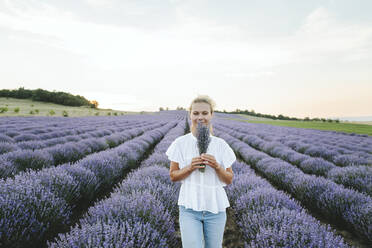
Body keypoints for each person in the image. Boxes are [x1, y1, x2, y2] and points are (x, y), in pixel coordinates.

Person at [166, 95, 236, 248]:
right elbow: (173, 176)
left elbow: (229, 179)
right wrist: (190, 167)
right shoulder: (180, 143)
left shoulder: (221, 145)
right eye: (196, 113)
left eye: (205, 113)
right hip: (189, 208)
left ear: (211, 115)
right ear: (190, 114)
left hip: (215, 209)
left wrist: (217, 166)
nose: (200, 117)